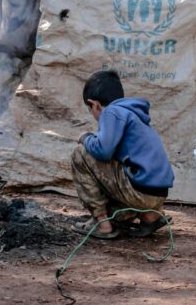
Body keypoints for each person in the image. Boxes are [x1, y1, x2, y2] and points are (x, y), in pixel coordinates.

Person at [71, 70, 175, 239]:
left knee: (80, 153)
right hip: (158, 193)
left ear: (94, 104)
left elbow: (103, 151)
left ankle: (102, 224)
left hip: (138, 193)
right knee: (116, 213)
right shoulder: (133, 114)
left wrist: (85, 138)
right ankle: (151, 216)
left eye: (91, 110)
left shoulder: (111, 112)